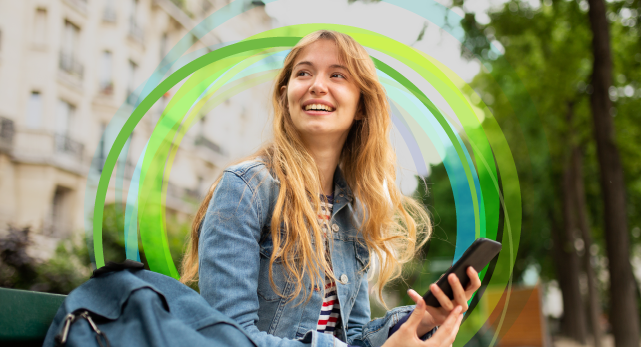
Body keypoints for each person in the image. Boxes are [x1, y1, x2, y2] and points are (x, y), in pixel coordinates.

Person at [180, 30, 481, 347]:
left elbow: (352, 337)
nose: (317, 85)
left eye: (337, 75)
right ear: (285, 96)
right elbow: (228, 336)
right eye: (304, 73)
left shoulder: (355, 209)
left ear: (361, 106)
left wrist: (424, 319)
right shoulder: (245, 189)